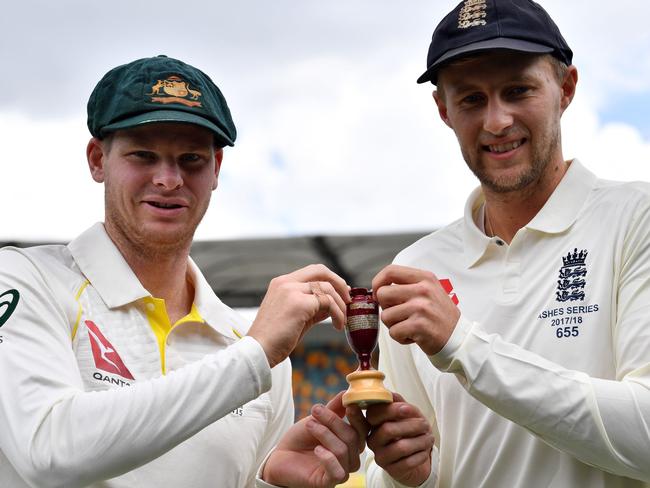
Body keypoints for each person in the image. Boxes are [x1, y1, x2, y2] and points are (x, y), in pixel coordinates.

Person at [0, 55, 365, 488]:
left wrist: (274, 482)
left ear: (216, 170)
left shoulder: (254, 351)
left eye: (191, 158)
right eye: (143, 155)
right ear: (97, 159)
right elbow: (50, 450)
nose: (169, 179)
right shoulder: (24, 279)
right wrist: (254, 354)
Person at [357, 0, 650, 486]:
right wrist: (410, 474)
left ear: (566, 89)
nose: (497, 121)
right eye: (471, 99)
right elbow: (398, 471)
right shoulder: (417, 267)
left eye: (518, 90)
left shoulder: (635, 218)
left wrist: (463, 345)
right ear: (444, 110)